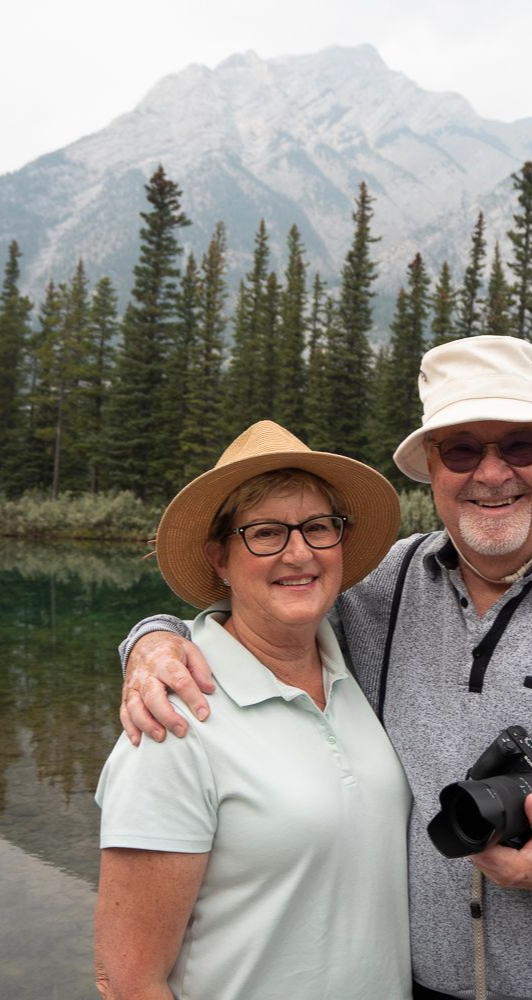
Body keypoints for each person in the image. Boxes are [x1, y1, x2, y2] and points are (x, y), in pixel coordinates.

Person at [119, 336, 532, 1000]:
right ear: (433, 467)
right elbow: (263, 605)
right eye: (463, 449)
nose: (492, 474)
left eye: (521, 445)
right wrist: (154, 641)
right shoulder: (381, 588)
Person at [94, 420, 413, 1000]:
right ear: (219, 557)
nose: (299, 552)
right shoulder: (173, 721)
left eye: (318, 527)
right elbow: (128, 980)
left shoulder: (360, 673)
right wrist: (149, 641)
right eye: (265, 533)